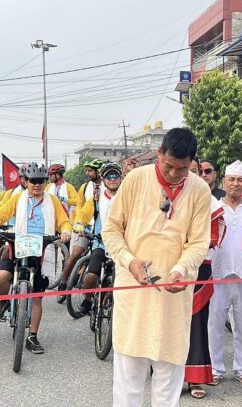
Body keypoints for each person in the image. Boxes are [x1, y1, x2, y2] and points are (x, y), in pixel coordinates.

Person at [101, 128, 211, 407]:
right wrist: (130, 261)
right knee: (129, 374)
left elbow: (199, 243)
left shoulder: (199, 189)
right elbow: (112, 231)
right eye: (169, 166)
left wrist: (182, 270)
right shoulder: (136, 180)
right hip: (133, 288)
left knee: (169, 372)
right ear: (159, 154)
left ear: (192, 163)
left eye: (182, 169)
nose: (174, 174)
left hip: (174, 292)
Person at [0, 162, 72, 353]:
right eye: (33, 181)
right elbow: (0, 212)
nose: (37, 185)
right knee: (1, 277)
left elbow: (64, 221)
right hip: (17, 244)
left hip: (43, 249)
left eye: (41, 181)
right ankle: (4, 301)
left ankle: (32, 336)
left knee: (37, 298)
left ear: (46, 181)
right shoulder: (18, 199)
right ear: (26, 181)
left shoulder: (53, 201)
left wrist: (65, 230)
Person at [208, 160, 242, 388]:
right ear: (224, 182)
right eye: (231, 180)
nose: (236, 184)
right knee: (215, 323)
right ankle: (215, 368)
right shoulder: (214, 207)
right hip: (218, 275)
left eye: (240, 180)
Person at [184, 165, 225, 400]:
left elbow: (212, 237)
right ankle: (171, 376)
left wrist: (187, 250)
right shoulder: (166, 195)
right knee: (169, 322)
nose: (189, 174)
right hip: (168, 267)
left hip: (197, 267)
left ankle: (195, 378)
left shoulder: (208, 201)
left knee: (197, 324)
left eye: (194, 170)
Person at [71, 161, 122, 314]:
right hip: (101, 242)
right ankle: (87, 300)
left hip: (121, 244)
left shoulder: (126, 196)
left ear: (120, 177)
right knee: (91, 275)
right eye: (108, 176)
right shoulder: (97, 197)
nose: (112, 179)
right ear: (103, 179)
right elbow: (84, 212)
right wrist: (79, 223)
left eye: (116, 175)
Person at [59, 159, 104, 290]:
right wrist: (79, 223)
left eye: (90, 170)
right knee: (75, 253)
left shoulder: (108, 187)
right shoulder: (85, 187)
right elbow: (79, 206)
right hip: (86, 227)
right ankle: (63, 280)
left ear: (99, 171)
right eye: (87, 170)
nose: (87, 173)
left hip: (101, 229)